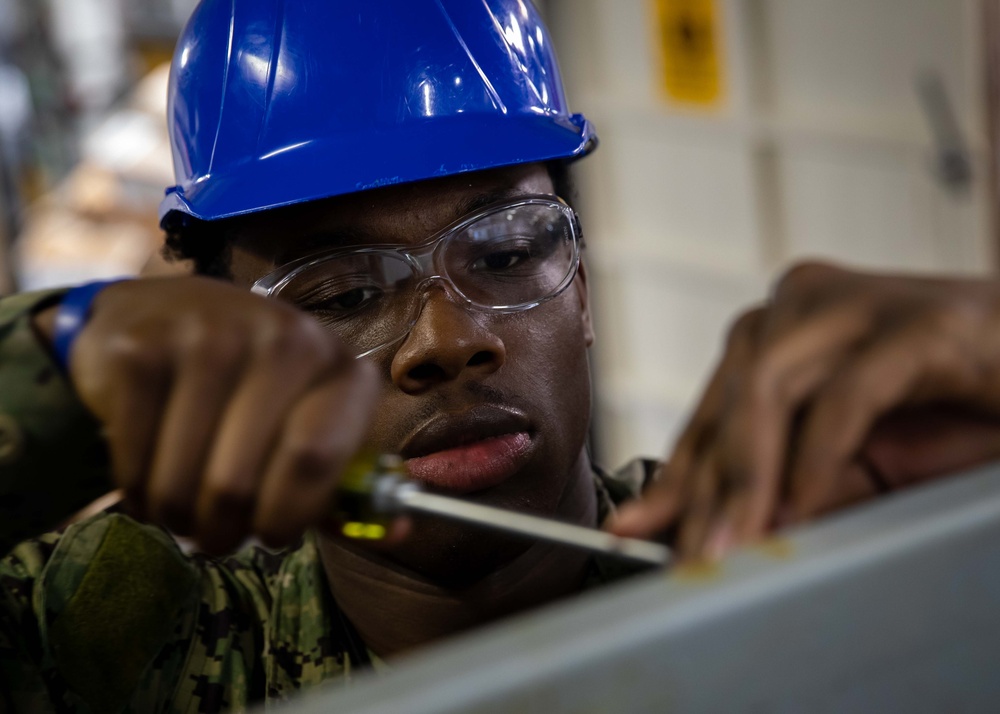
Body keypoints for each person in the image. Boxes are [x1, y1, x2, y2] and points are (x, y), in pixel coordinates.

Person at [3, 0, 1000, 711]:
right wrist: (48, 365)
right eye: (342, 294)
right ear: (221, 340)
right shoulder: (118, 651)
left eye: (507, 249)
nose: (446, 340)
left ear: (583, 283)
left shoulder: (805, 579)